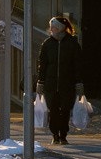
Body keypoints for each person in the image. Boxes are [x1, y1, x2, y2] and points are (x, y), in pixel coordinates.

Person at [36, 14, 83, 144]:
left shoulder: (72, 44)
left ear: (61, 28)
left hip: (67, 83)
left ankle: (63, 135)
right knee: (54, 110)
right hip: (51, 84)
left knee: (65, 109)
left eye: (54, 27)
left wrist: (78, 82)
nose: (51, 29)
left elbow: (77, 64)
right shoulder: (47, 44)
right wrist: (41, 81)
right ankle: (55, 135)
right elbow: (42, 64)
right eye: (51, 27)